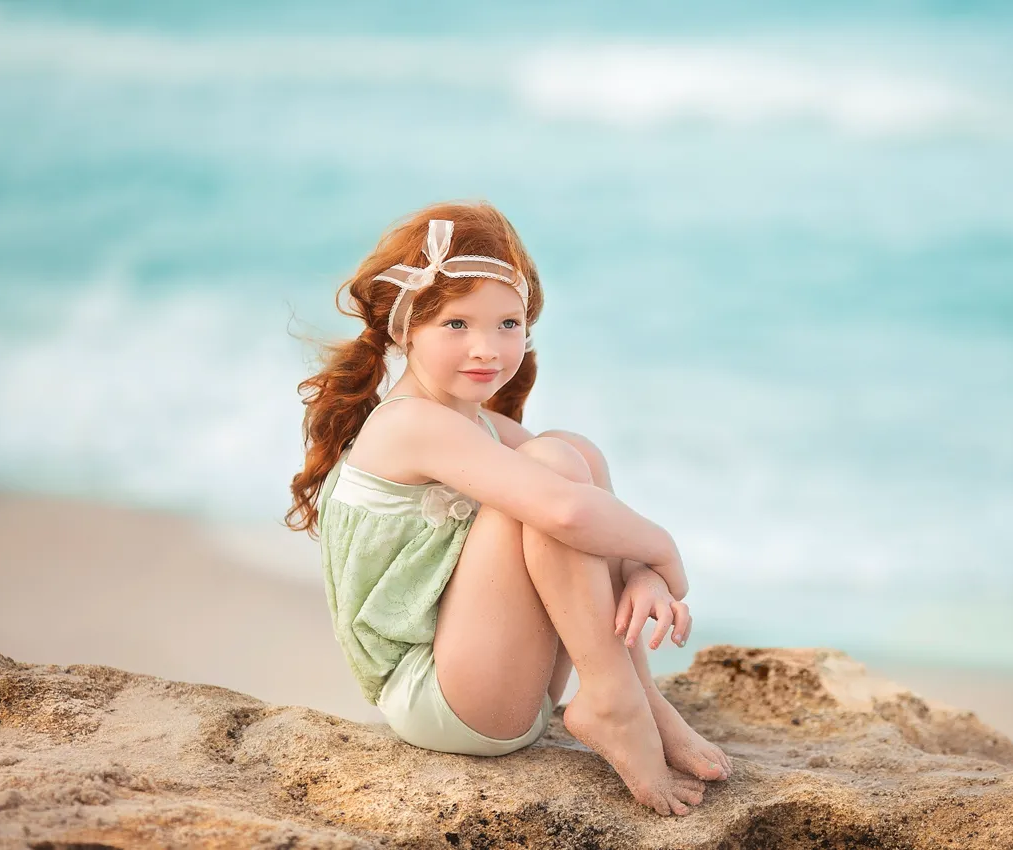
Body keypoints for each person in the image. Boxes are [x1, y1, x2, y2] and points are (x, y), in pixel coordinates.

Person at [286, 200, 731, 816]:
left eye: (507, 324)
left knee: (571, 451)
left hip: (500, 683)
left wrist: (642, 575)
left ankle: (639, 698)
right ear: (405, 327)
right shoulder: (410, 422)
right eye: (456, 325)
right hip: (442, 701)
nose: (487, 348)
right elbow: (568, 514)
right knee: (552, 479)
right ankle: (611, 700)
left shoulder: (478, 425)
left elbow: (587, 503)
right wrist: (664, 552)